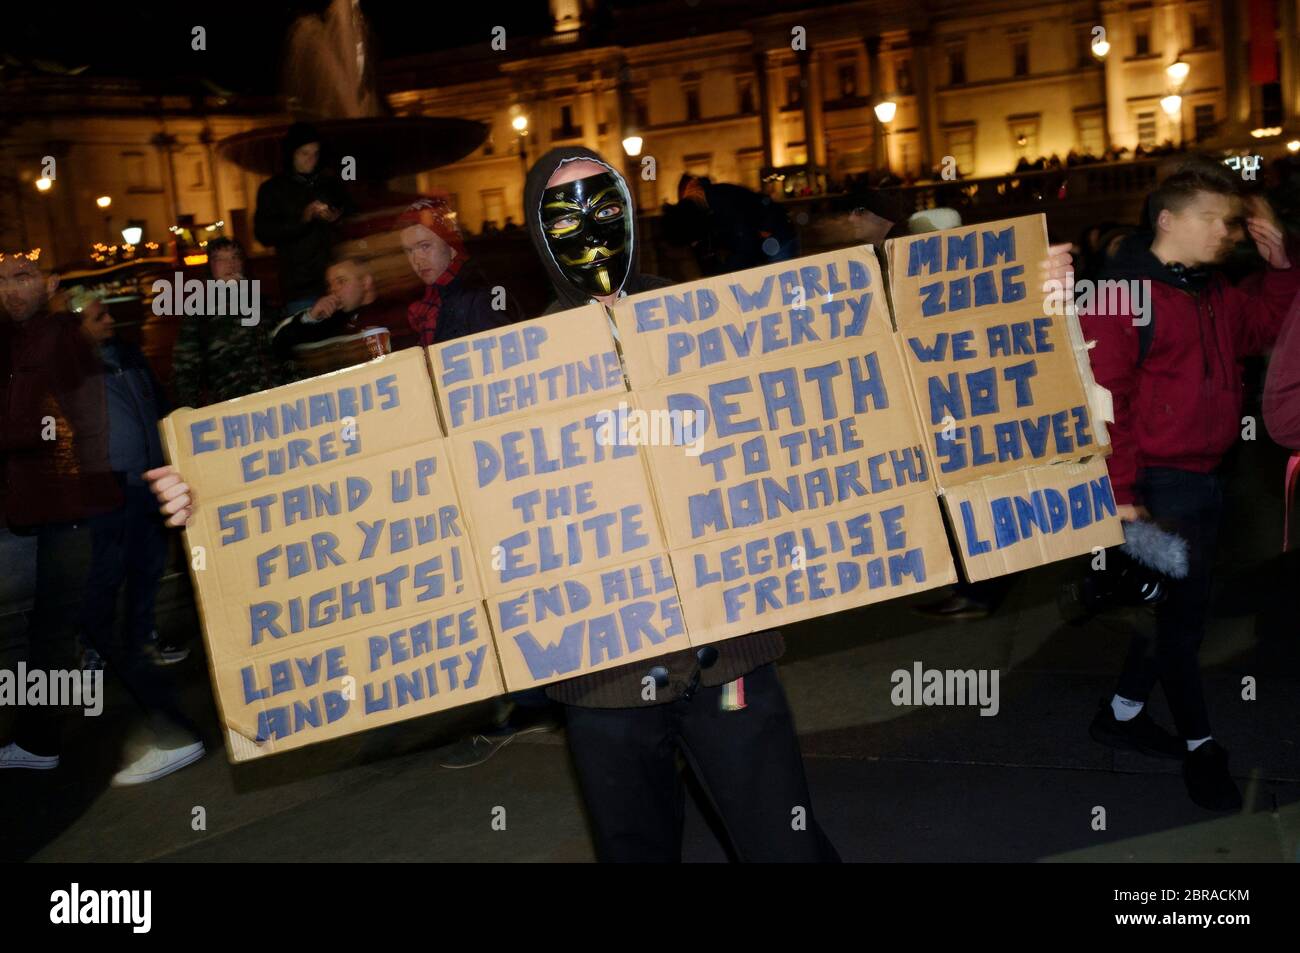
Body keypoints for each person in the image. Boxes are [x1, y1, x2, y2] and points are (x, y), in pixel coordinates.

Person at [1081, 160, 1300, 811]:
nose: (1225, 231)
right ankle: (1203, 749)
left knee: (1173, 611)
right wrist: (1122, 496)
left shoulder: (1213, 291)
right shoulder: (1120, 296)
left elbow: (1266, 327)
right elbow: (1103, 403)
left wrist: (1282, 267)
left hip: (1206, 478)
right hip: (1158, 483)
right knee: (1182, 623)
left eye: (1229, 220)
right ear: (1168, 219)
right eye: (1211, 218)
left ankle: (1120, 713)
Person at [0, 256, 200, 783]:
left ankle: (173, 728)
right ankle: (38, 739)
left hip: (77, 504)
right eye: (1, 280)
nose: (10, 289)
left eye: (21, 277)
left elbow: (51, 423)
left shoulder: (59, 336)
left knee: (92, 620)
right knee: (51, 628)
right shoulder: (25, 338)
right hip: (57, 505)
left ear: (49, 284)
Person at [65, 286, 204, 782]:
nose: (109, 322)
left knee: (138, 587)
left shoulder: (126, 356)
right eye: (98, 317)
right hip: (107, 493)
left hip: (146, 484)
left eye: (107, 315)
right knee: (108, 593)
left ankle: (171, 727)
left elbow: (159, 405)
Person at [171, 237, 284, 406]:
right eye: (221, 259)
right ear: (211, 267)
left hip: (275, 397)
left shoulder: (262, 302)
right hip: (231, 405)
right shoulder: (199, 311)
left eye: (235, 257)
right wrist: (189, 409)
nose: (230, 264)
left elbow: (282, 345)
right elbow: (185, 367)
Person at [254, 122, 352, 314]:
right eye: (304, 153)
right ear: (291, 154)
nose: (311, 160)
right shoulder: (272, 189)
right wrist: (303, 220)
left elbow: (350, 212)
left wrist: (335, 217)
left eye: (315, 153)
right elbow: (263, 234)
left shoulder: (329, 183)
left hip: (336, 282)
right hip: (301, 289)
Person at [269, 254, 407, 378]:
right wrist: (310, 317)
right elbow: (278, 345)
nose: (333, 289)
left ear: (365, 282)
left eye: (341, 281)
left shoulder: (392, 313)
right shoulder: (329, 320)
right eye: (330, 284)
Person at [661, 173, 799, 277]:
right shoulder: (698, 214)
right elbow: (708, 262)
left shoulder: (721, 202)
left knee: (783, 289)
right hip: (763, 243)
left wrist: (723, 274)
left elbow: (746, 247)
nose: (693, 244)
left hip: (778, 238)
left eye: (692, 241)